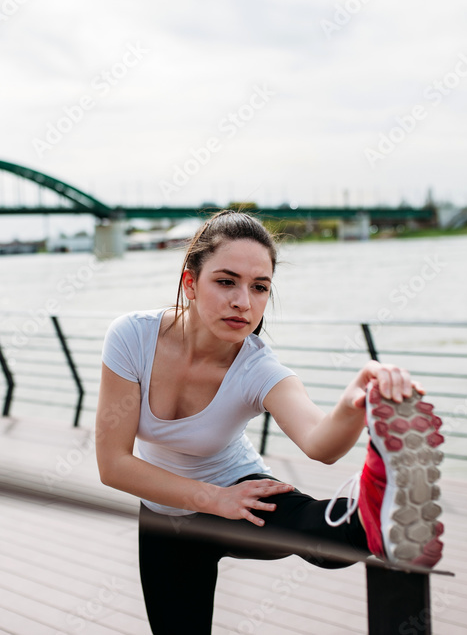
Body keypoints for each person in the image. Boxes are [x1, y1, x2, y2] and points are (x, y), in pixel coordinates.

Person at [95, 210, 444, 634]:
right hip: (165, 515)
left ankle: (372, 503)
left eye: (259, 287)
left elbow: (320, 443)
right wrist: (209, 498)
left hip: (238, 489)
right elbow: (113, 464)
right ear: (190, 282)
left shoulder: (257, 369)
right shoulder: (133, 337)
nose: (243, 301)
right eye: (226, 282)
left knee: (322, 536)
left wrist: (356, 401)